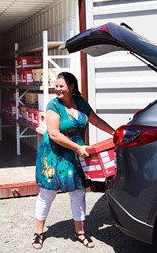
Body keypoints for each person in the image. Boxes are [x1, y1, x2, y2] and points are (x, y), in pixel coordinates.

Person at [32, 72, 115, 249]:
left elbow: (96, 121)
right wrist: (78, 147)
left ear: (71, 87)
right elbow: (54, 134)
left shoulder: (81, 103)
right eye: (56, 85)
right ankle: (38, 233)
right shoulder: (53, 105)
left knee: (78, 192)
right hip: (54, 155)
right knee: (47, 194)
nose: (57, 89)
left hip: (76, 154)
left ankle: (80, 232)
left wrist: (114, 133)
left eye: (61, 86)